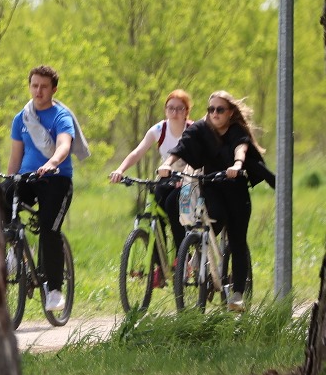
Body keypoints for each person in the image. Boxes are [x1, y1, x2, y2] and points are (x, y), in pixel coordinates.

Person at [161, 90, 275, 310]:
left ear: (230, 113)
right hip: (211, 185)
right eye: (211, 109)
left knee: (237, 241)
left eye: (220, 109)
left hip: (235, 189)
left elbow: (241, 148)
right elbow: (183, 146)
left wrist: (237, 165)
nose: (214, 113)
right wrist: (167, 163)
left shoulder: (236, 130)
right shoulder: (201, 129)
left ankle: (237, 294)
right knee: (214, 213)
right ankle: (199, 250)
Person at [1, 64, 79, 313]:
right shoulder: (21, 118)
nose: (38, 90)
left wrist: (51, 163)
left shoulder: (61, 116)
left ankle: (54, 289)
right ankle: (11, 248)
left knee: (49, 227)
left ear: (53, 89)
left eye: (44, 86)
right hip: (28, 178)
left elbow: (64, 145)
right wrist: (10, 180)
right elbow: (15, 157)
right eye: (34, 85)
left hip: (56, 179)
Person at [109, 89, 193, 254]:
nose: (174, 112)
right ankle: (159, 267)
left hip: (189, 178)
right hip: (166, 176)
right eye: (170, 108)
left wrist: (186, 177)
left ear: (186, 111)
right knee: (155, 212)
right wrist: (120, 169)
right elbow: (137, 152)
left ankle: (181, 257)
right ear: (165, 110)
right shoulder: (159, 130)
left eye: (179, 108)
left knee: (172, 207)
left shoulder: (193, 130)